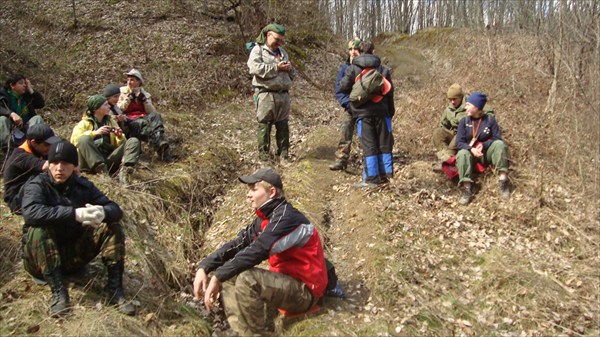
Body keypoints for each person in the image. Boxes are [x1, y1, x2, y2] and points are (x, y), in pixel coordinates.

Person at [193, 167, 328, 336]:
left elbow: (258, 250)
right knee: (230, 275)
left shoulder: (286, 217)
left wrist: (217, 276)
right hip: (288, 283)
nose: (248, 195)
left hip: (306, 292)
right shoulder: (266, 217)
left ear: (271, 192)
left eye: (253, 189)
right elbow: (238, 243)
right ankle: (241, 331)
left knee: (247, 279)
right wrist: (204, 267)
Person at [20, 141, 135, 316]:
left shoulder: (83, 185)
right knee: (39, 229)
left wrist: (102, 212)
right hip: (40, 260)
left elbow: (115, 209)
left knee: (112, 226)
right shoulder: (37, 185)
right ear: (48, 164)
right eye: (54, 163)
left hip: (72, 255)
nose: (59, 168)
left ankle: (114, 289)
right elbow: (31, 213)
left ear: (74, 166)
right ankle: (59, 293)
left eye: (65, 164)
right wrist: (74, 214)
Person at [339, 40, 395, 187]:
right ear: (373, 51)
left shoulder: (353, 69)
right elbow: (390, 93)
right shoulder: (383, 70)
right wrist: (390, 112)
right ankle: (387, 175)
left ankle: (371, 179)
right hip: (382, 112)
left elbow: (343, 86)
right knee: (384, 144)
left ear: (359, 51)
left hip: (362, 114)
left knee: (369, 145)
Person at [247, 24, 295, 164]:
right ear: (268, 35)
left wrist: (289, 68)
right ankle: (264, 158)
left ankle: (283, 156)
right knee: (264, 126)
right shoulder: (258, 50)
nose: (279, 43)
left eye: (282, 40)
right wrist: (276, 67)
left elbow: (292, 74)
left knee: (283, 126)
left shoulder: (282, 52)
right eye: (277, 39)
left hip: (283, 94)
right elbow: (254, 69)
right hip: (265, 93)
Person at [70, 95, 140, 184]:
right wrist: (95, 133)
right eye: (105, 105)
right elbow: (74, 140)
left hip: (108, 160)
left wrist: (119, 136)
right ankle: (101, 171)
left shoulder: (111, 122)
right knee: (84, 138)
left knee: (133, 141)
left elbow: (121, 145)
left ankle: (126, 171)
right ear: (97, 109)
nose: (109, 106)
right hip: (88, 162)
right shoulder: (84, 123)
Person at [455, 92, 509, 205]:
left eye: (468, 105)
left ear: (477, 107)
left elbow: (496, 137)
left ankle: (503, 181)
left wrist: (483, 145)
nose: (465, 107)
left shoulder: (490, 120)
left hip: (485, 154)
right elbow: (459, 142)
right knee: (462, 153)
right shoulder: (464, 122)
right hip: (471, 155)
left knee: (499, 144)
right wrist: (471, 149)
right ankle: (467, 189)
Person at [117, 68, 173, 163]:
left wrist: (144, 101)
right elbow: (119, 108)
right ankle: (160, 145)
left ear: (139, 82)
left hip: (143, 117)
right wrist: (128, 99)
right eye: (128, 80)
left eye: (132, 80)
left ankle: (159, 141)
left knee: (156, 116)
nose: (129, 82)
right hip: (129, 119)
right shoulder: (121, 92)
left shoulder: (145, 94)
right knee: (144, 124)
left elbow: (151, 111)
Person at [432, 83, 493, 170]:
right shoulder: (449, 110)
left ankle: (446, 162)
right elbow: (443, 125)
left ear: (460, 97)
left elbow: (489, 114)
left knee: (460, 135)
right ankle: (445, 157)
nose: (452, 102)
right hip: (455, 135)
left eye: (454, 99)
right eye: (450, 99)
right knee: (438, 132)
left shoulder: (471, 103)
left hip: (470, 135)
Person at [3, 123, 60, 213]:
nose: (50, 147)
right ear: (33, 143)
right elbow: (45, 166)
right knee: (46, 176)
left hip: (31, 192)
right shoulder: (20, 156)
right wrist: (68, 162)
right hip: (17, 201)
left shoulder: (40, 151)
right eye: (46, 144)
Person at [329, 38, 361, 171]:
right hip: (350, 107)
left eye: (356, 49)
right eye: (351, 49)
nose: (353, 52)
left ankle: (369, 164)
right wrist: (347, 104)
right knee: (345, 134)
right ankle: (341, 160)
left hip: (366, 108)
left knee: (367, 136)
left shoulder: (367, 66)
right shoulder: (344, 68)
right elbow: (339, 89)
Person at [0, 74, 45, 152]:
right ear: (12, 85)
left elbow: (40, 104)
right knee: (2, 119)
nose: (24, 85)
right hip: (10, 127)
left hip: (25, 127)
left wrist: (31, 90)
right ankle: (7, 148)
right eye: (21, 83)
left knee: (37, 118)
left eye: (25, 83)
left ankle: (33, 145)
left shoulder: (26, 96)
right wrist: (11, 114)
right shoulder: (3, 94)